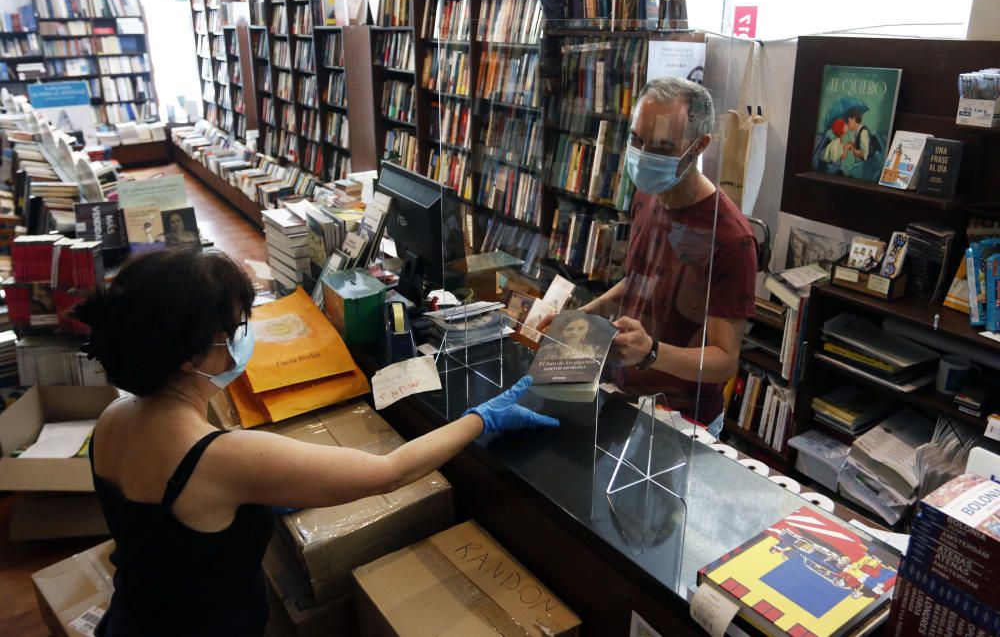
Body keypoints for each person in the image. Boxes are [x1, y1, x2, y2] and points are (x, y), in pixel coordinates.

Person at [74, 248, 557, 636]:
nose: (246, 338)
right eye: (236, 329)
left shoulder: (112, 419)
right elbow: (392, 473)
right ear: (189, 355)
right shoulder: (223, 458)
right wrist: (483, 418)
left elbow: (169, 533)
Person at [543, 77, 756, 437]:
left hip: (682, 420)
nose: (644, 156)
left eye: (662, 147)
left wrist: (652, 352)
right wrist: (584, 315)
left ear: (699, 147)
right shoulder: (648, 193)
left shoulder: (731, 238)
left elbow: (723, 360)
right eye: (637, 140)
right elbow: (642, 278)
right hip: (622, 393)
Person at [535, 311, 602, 361]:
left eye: (581, 328)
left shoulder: (594, 351)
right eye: (569, 329)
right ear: (561, 331)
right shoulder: (546, 351)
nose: (574, 333)